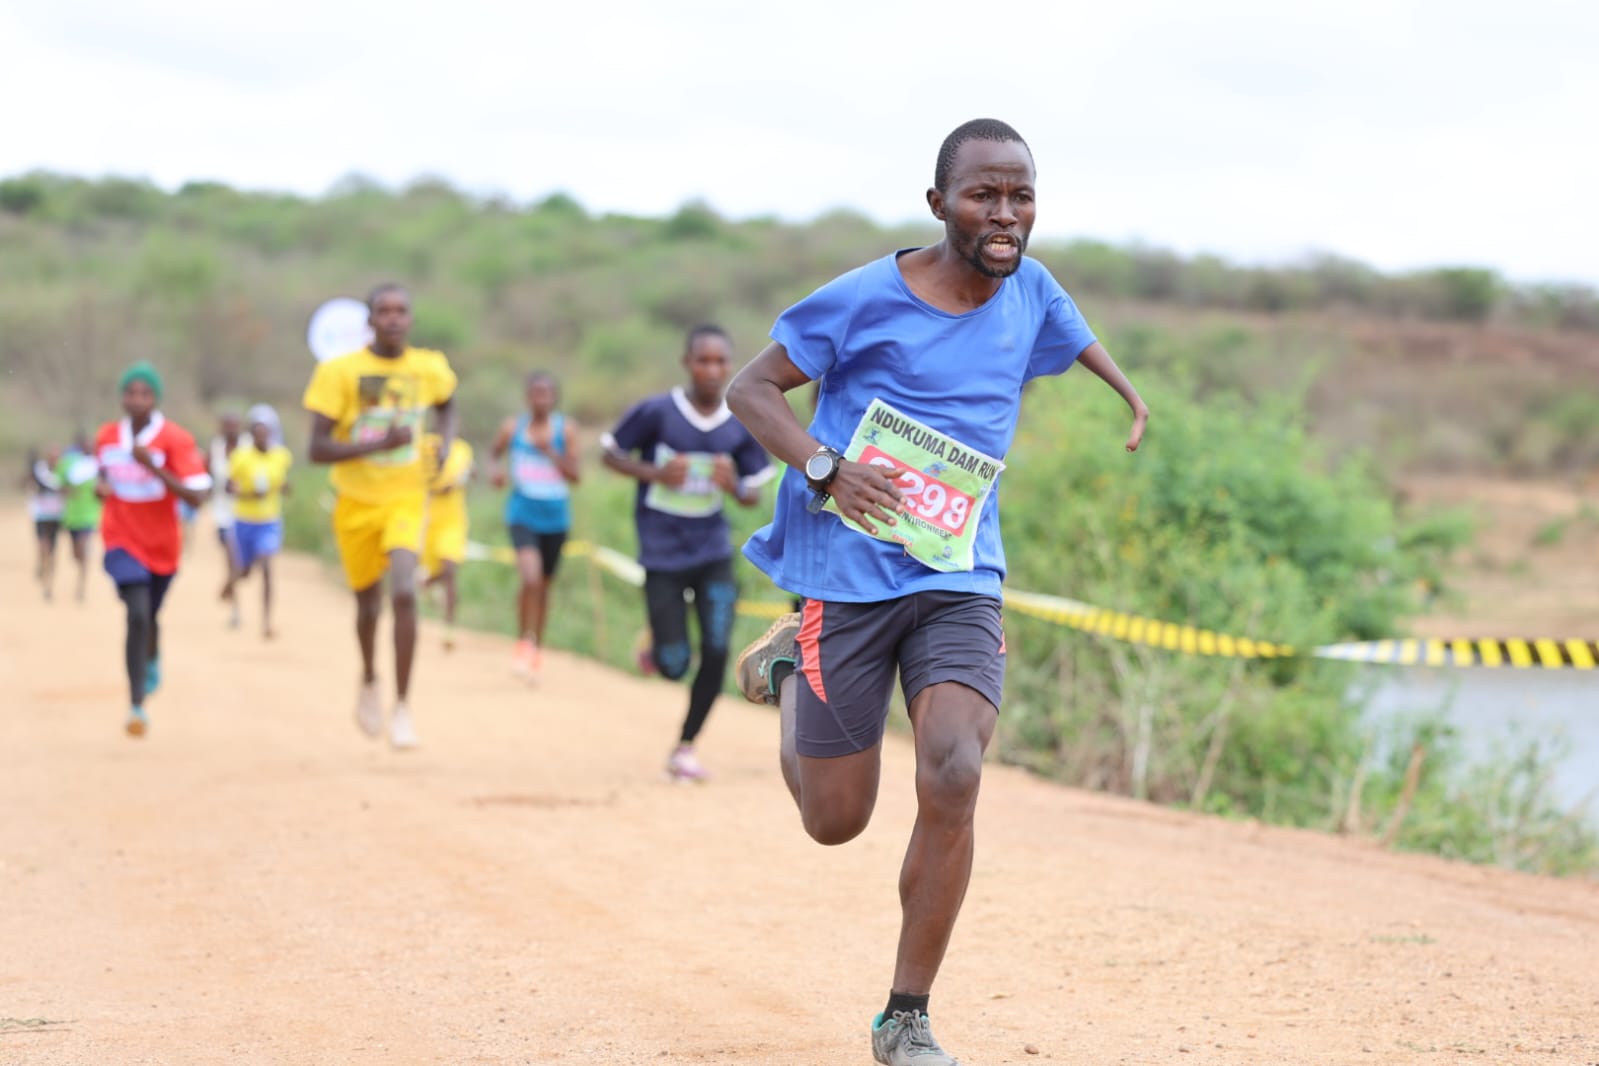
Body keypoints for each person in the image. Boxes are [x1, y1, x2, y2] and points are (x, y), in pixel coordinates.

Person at [725, 119, 1149, 1065]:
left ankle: (904, 1017)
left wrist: (1128, 396)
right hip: (846, 575)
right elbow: (751, 391)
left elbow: (1078, 336)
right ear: (937, 204)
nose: (1005, 214)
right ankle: (793, 660)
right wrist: (826, 469)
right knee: (835, 821)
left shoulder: (1030, 288)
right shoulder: (864, 298)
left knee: (954, 768)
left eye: (1020, 196)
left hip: (959, 573)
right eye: (983, 196)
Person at [602, 325, 776, 781]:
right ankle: (657, 645)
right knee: (674, 663)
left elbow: (752, 493)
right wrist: (656, 474)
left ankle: (685, 746)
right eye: (704, 360)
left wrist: (732, 484)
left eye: (721, 362)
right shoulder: (657, 412)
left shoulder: (738, 420)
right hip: (661, 551)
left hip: (712, 550)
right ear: (687, 362)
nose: (713, 370)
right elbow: (610, 455)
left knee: (718, 649)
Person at [302, 283, 458, 750]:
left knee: (405, 591)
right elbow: (317, 448)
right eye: (383, 312)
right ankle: (370, 677)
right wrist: (377, 444)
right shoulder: (339, 372)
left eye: (401, 311)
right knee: (368, 606)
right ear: (368, 322)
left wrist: (445, 443)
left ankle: (404, 707)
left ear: (411, 319)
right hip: (355, 504)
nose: (393, 319)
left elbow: (448, 405)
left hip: (406, 498)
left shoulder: (428, 368)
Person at [93, 362, 212, 736]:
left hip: (162, 546)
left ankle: (152, 655)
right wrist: (100, 488)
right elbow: (104, 475)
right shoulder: (108, 436)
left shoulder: (175, 439)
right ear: (122, 397)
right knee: (138, 614)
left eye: (145, 393)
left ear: (155, 398)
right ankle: (136, 705)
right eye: (131, 392)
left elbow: (197, 497)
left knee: (151, 616)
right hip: (120, 540)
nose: (137, 400)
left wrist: (154, 467)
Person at [489, 372, 580, 679]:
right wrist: (495, 472)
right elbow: (493, 453)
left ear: (554, 398)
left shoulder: (564, 429)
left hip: (555, 518)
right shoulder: (512, 427)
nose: (541, 398)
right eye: (535, 393)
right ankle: (523, 643)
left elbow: (575, 475)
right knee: (529, 578)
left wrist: (549, 451)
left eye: (547, 393)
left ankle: (536, 647)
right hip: (522, 513)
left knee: (543, 585)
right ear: (527, 397)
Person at [226, 404, 293, 640]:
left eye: (266, 431)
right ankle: (230, 583)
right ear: (252, 433)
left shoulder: (281, 456)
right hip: (244, 520)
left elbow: (285, 483)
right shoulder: (240, 457)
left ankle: (266, 621)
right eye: (258, 431)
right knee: (244, 571)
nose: (262, 436)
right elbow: (229, 486)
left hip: (269, 521)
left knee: (266, 565)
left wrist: (285, 488)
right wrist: (247, 494)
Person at [420, 432, 474, 652]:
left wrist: (469, 474)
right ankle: (426, 585)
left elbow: (468, 472)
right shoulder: (423, 445)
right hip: (426, 520)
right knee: (430, 570)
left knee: (450, 569)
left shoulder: (462, 449)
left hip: (453, 521)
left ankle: (449, 628)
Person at [56, 432, 103, 603]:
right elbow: (58, 483)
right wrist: (65, 491)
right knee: (76, 553)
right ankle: (81, 564)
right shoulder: (68, 463)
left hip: (91, 514)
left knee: (84, 548)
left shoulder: (98, 465)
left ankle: (81, 587)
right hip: (72, 515)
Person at [211, 411, 245, 627]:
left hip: (246, 513)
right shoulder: (215, 448)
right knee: (231, 561)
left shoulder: (249, 446)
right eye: (227, 425)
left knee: (242, 566)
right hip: (222, 514)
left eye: (234, 425)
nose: (231, 429)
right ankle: (235, 609)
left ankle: (227, 587)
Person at [25, 445, 64, 601]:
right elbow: (29, 482)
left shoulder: (63, 473)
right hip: (41, 515)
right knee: (43, 547)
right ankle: (42, 565)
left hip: (56, 516)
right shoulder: (39, 471)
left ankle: (49, 586)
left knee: (53, 552)